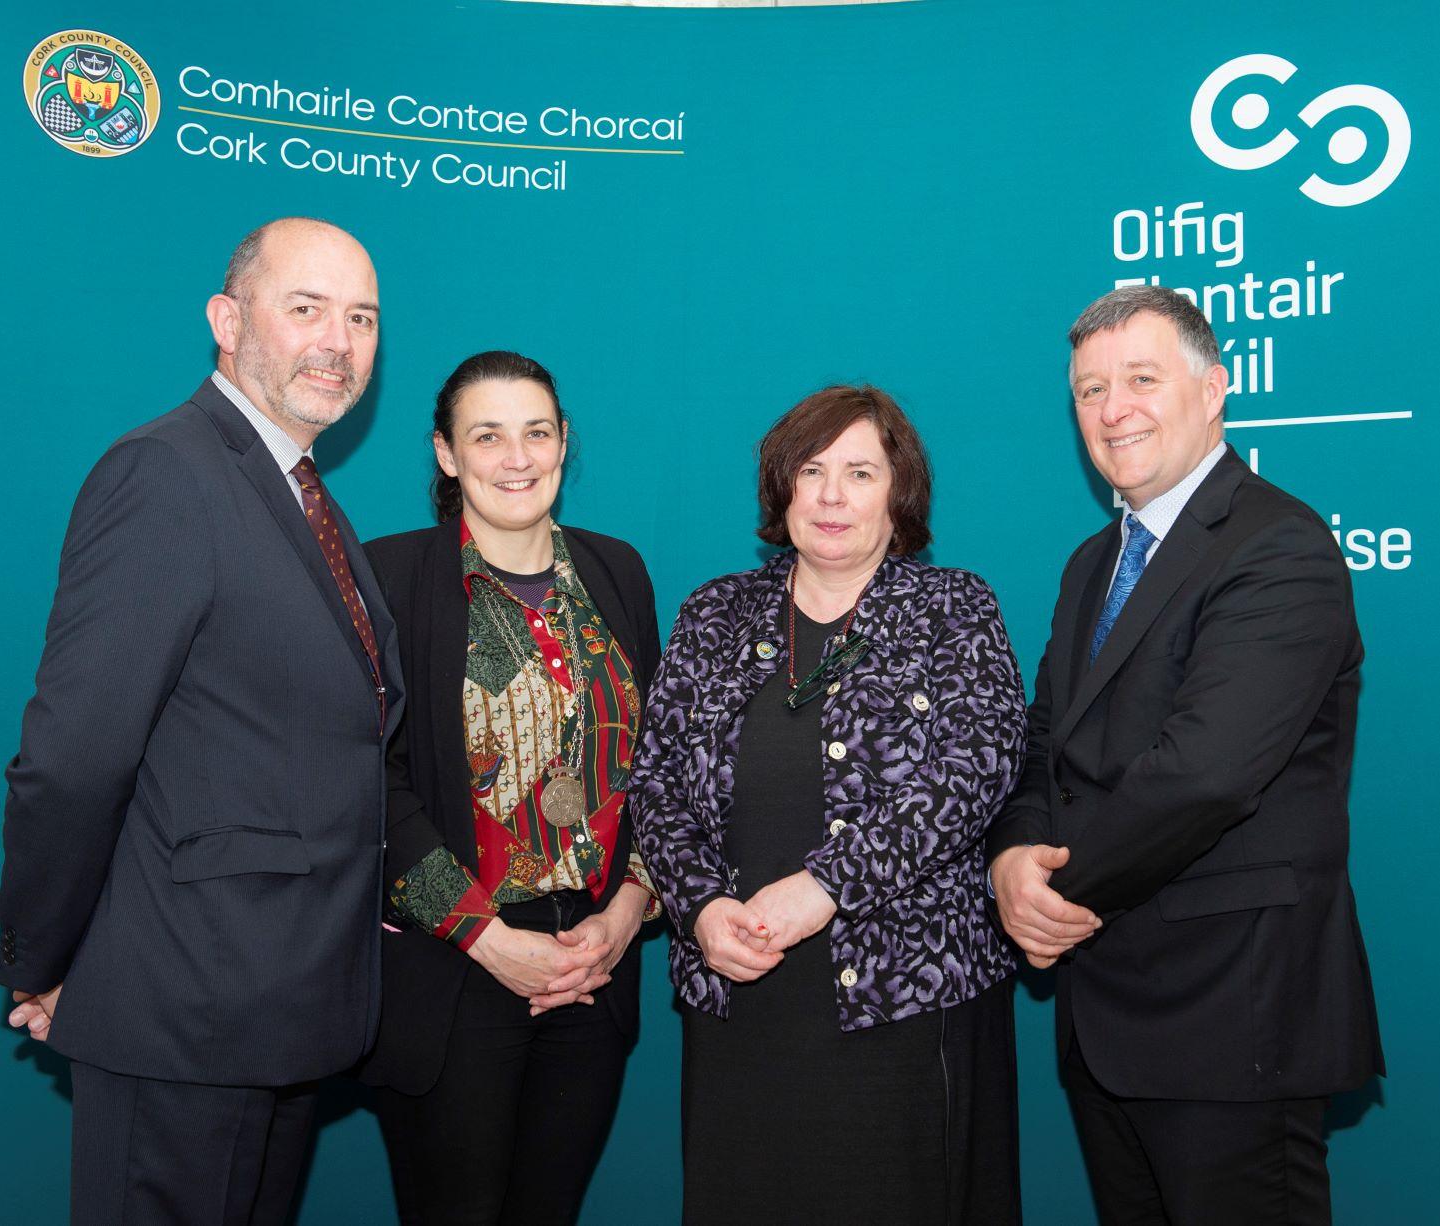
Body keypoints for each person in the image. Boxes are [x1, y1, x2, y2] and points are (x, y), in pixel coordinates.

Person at [0, 217, 402, 1224]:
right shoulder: (165, 473)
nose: (336, 341)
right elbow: (74, 757)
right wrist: (50, 960)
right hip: (185, 1008)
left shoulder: (306, 496)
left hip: (285, 1006)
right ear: (227, 320)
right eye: (304, 307)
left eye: (361, 317)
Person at [987, 284, 1384, 1225]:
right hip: (1107, 1016)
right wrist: (1010, 860)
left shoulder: (1281, 545)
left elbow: (1205, 773)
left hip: (1231, 1016)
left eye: (1140, 379)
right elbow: (1046, 741)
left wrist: (1055, 893)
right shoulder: (1096, 562)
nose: (1113, 408)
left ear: (1214, 390)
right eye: (1089, 390)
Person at [630, 385, 1026, 1225]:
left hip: (906, 1009)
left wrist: (824, 887)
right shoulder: (712, 615)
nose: (833, 496)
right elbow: (657, 780)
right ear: (782, 489)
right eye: (812, 471)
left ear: (899, 493)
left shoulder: (952, 609)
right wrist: (699, 910)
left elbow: (976, 770)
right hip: (742, 998)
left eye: (859, 472)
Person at [359, 350, 661, 1226]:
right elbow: (366, 780)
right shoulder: (390, 577)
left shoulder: (618, 571)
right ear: (447, 455)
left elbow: (662, 766)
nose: (517, 457)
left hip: (593, 968)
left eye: (536, 432)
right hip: (454, 971)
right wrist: (484, 937)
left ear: (565, 442)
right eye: (487, 435)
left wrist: (627, 910)